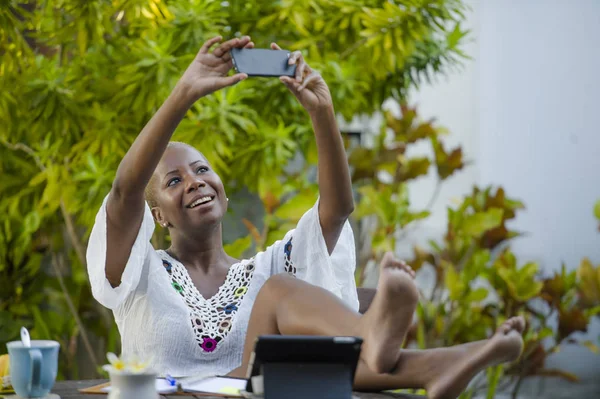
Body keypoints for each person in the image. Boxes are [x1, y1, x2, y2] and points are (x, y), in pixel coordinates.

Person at [87, 35, 525, 398]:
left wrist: (322, 113)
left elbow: (334, 213)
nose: (196, 181)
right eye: (175, 180)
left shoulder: (264, 272)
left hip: (253, 392)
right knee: (285, 308)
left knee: (290, 326)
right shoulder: (140, 272)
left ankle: (430, 364)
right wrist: (184, 93)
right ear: (157, 215)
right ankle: (406, 349)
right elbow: (125, 192)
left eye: (202, 170)